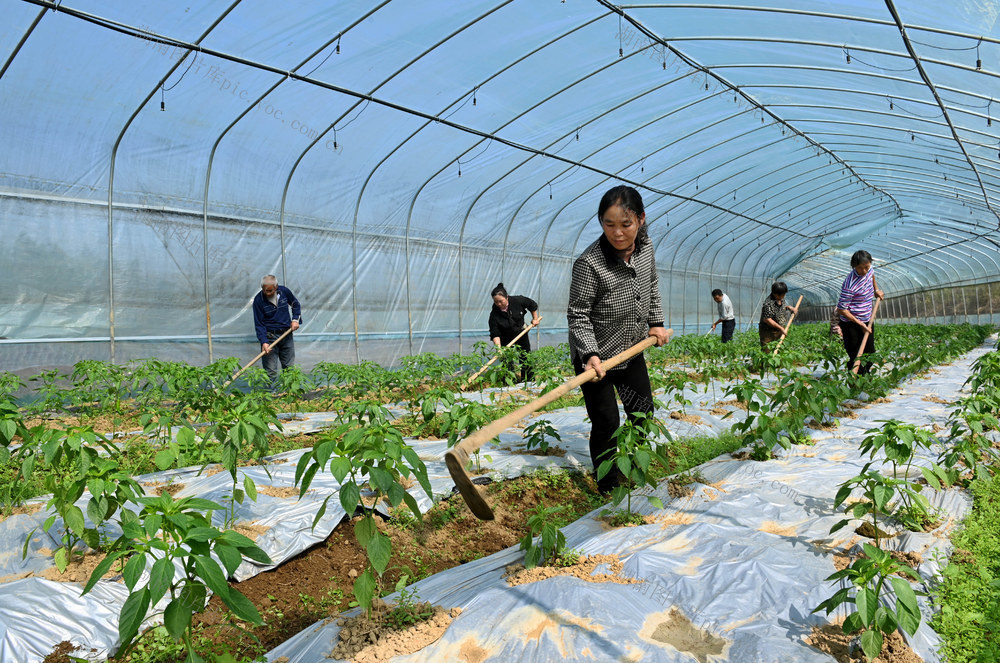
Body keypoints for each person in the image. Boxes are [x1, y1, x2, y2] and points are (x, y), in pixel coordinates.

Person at [567, 185, 671, 494]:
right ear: (600, 222)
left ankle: (636, 470)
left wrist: (656, 323)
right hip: (596, 358)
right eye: (609, 224)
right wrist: (589, 354)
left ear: (640, 219)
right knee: (607, 422)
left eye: (625, 224)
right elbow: (578, 314)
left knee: (642, 412)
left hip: (631, 350)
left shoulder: (646, 246)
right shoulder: (589, 264)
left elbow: (651, 283)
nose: (617, 232)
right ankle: (608, 485)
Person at [836, 250, 884, 375]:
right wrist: (859, 324)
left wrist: (876, 290)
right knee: (856, 356)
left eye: (866, 267)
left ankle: (863, 379)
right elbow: (841, 309)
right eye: (860, 268)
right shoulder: (849, 284)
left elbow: (872, 275)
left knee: (870, 353)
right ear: (854, 266)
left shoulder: (870, 270)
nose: (864, 271)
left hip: (867, 319)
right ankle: (855, 383)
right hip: (851, 324)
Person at [252, 275, 302, 391]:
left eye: (270, 290)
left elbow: (296, 305)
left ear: (276, 287)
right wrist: (264, 342)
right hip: (270, 337)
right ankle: (269, 398)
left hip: (286, 334)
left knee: (289, 368)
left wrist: (295, 320)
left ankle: (290, 394)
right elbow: (259, 324)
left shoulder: (284, 292)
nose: (267, 293)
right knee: (270, 371)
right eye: (264, 290)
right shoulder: (258, 300)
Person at [488, 283, 540, 383]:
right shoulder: (494, 314)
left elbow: (532, 305)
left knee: (525, 356)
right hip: (505, 337)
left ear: (506, 297)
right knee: (506, 360)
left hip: (521, 331)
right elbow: (495, 333)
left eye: (500, 301)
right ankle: (508, 383)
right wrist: (499, 349)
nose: (498, 304)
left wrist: (535, 319)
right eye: (496, 302)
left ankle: (528, 381)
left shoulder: (518, 301)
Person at [758, 282, 798, 349]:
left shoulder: (781, 299)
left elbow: (779, 309)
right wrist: (781, 328)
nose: (783, 296)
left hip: (779, 329)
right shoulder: (768, 303)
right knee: (767, 350)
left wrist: (789, 307)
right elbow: (767, 319)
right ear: (775, 294)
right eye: (782, 295)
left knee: (779, 350)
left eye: (784, 294)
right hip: (768, 332)